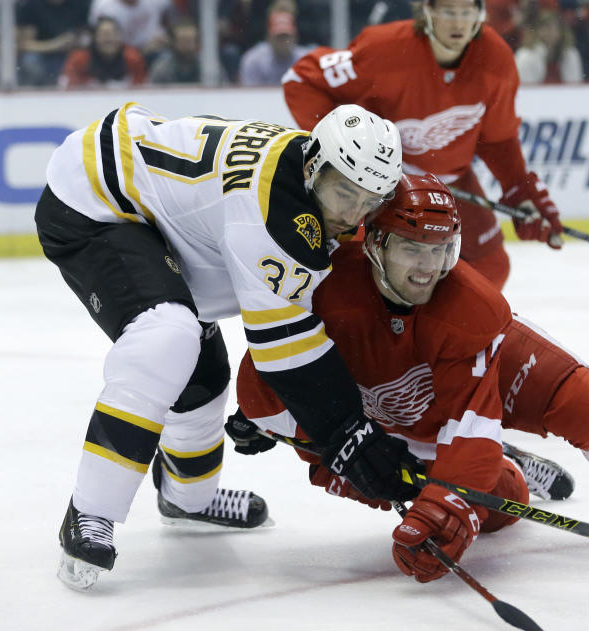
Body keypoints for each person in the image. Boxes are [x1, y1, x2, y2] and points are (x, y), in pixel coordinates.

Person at [228, 173, 589, 583]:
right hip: (400, 411)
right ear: (376, 242)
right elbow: (269, 370)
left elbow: (473, 422)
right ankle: (506, 465)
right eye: (412, 249)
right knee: (502, 506)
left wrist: (442, 510)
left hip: (488, 373)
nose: (429, 269)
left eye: (441, 250)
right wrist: (286, 427)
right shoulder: (326, 287)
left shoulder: (469, 305)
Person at [35, 102, 418, 590]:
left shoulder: (303, 168)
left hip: (158, 207)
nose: (353, 214)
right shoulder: (272, 218)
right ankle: (90, 513)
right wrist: (348, 433)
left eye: (370, 200)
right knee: (167, 336)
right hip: (95, 202)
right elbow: (287, 352)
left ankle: (187, 500)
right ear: (314, 167)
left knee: (201, 371)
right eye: (344, 193)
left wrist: (332, 422)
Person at [282, 0, 564, 292]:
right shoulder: (385, 48)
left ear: (479, 15)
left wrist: (520, 189)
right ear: (427, 11)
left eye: (466, 13)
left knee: (490, 269)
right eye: (448, 12)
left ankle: (437, 330)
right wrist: (343, 148)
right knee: (360, 271)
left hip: (453, 182)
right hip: (380, 187)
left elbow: (498, 138)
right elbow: (300, 79)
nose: (458, 23)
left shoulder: (496, 59)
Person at [16, 0, 92, 86]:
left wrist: (76, 41)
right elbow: (22, 44)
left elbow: (88, 35)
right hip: (42, 55)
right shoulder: (32, 5)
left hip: (72, 54)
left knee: (85, 59)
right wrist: (55, 45)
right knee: (30, 62)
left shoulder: (80, 4)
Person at [58, 16, 147, 88]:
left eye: (113, 34)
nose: (108, 39)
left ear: (120, 37)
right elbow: (68, 88)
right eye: (104, 34)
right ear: (95, 37)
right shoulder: (79, 59)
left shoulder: (133, 58)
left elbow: (141, 88)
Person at [238, 4, 313, 86]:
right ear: (268, 38)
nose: (283, 41)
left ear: (295, 37)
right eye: (278, 37)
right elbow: (249, 95)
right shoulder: (253, 61)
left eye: (286, 36)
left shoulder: (306, 60)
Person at [514, 8, 584, 84]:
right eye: (546, 27)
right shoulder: (525, 56)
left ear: (561, 31)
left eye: (554, 28)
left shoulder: (571, 54)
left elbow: (576, 86)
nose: (550, 32)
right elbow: (526, 89)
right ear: (536, 31)